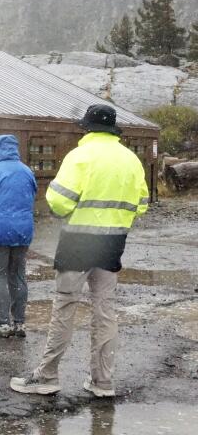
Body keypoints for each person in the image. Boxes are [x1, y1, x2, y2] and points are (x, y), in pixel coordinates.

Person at [10, 104, 149, 399]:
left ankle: (47, 376)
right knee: (105, 311)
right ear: (114, 129)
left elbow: (59, 202)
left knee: (64, 307)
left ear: (86, 128)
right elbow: (142, 203)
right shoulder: (131, 160)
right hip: (113, 243)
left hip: (77, 243)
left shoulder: (80, 156)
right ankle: (103, 381)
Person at [0, 135, 38, 338]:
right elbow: (33, 196)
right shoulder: (27, 171)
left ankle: (3, 323)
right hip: (23, 230)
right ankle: (19, 323)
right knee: (17, 275)